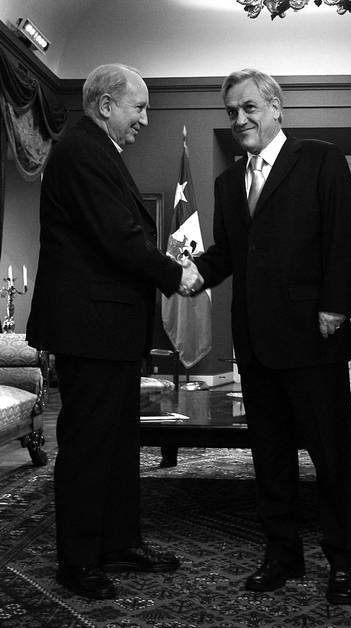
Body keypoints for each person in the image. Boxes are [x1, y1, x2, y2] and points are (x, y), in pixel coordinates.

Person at [26, 63, 203, 600]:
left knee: (119, 442)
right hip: (90, 329)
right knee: (88, 446)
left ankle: (119, 542)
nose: (145, 120)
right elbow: (118, 237)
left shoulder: (97, 150)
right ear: (106, 105)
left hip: (109, 330)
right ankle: (78, 560)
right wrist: (178, 275)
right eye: (139, 107)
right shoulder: (82, 150)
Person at [192, 68, 351, 604]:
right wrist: (190, 273)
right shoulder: (226, 182)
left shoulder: (320, 159)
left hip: (314, 337)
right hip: (257, 342)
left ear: (276, 107)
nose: (239, 119)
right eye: (231, 112)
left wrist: (335, 305)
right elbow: (229, 254)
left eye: (248, 108)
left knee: (332, 457)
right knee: (269, 457)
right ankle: (282, 553)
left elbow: (343, 234)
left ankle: (342, 561)